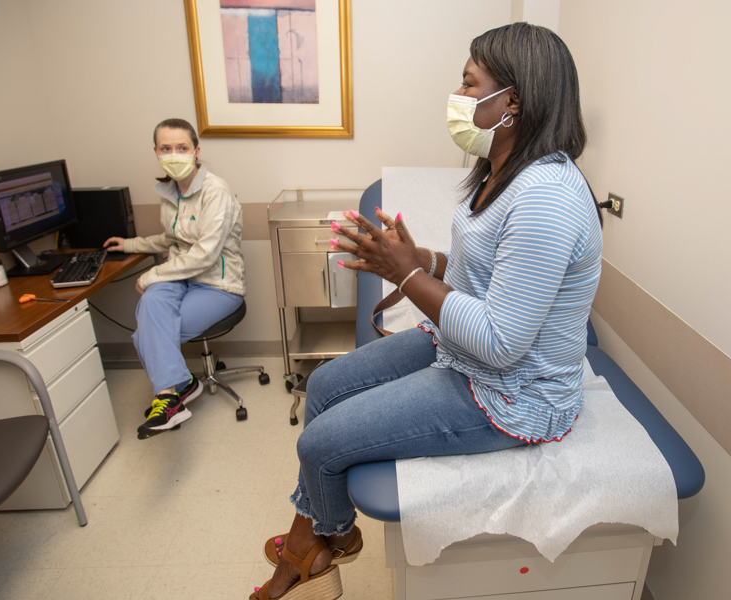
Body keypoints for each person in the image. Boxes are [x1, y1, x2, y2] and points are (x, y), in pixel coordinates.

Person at [250, 22, 603, 600]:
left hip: (513, 392)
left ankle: (318, 543)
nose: (458, 97)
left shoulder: (548, 197)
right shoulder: (501, 171)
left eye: (469, 83)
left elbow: (500, 342)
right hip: (457, 348)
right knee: (323, 387)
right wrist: (425, 261)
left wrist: (404, 274)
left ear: (512, 98)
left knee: (318, 445)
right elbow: (484, 274)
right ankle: (320, 535)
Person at [104, 118, 246, 440]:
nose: (174, 154)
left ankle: (182, 387)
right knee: (151, 301)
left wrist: (152, 273)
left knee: (151, 332)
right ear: (156, 152)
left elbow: (204, 254)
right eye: (166, 148)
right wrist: (129, 245)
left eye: (181, 148)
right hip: (179, 278)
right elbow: (172, 240)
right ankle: (170, 398)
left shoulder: (216, 192)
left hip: (216, 283)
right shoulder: (170, 193)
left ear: (196, 151)